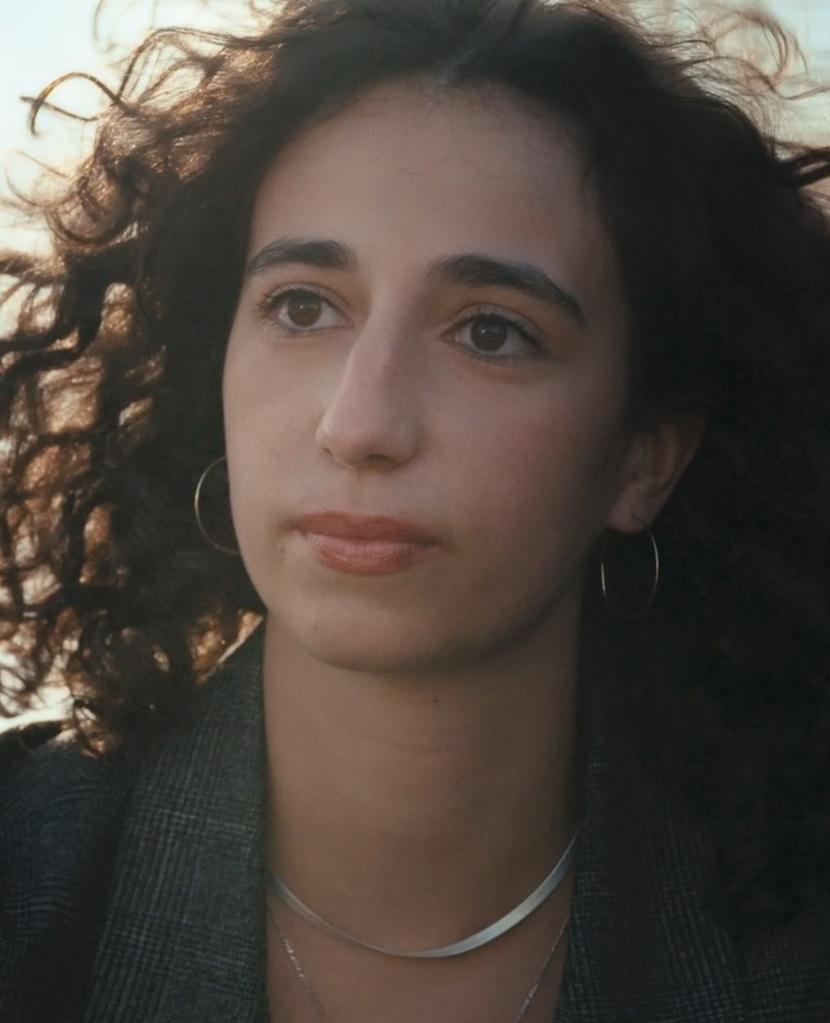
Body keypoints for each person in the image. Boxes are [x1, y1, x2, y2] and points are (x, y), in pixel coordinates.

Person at [1, 0, 829, 1019]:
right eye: (302, 306)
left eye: (490, 332)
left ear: (642, 459)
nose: (359, 424)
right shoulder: (27, 876)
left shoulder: (795, 951)